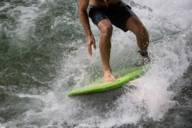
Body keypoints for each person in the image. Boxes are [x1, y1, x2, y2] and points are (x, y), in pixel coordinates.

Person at [78, 0, 150, 82]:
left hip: (117, 6)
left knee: (140, 29)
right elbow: (82, 10)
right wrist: (89, 35)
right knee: (106, 29)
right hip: (97, 9)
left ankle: (145, 57)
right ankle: (107, 71)